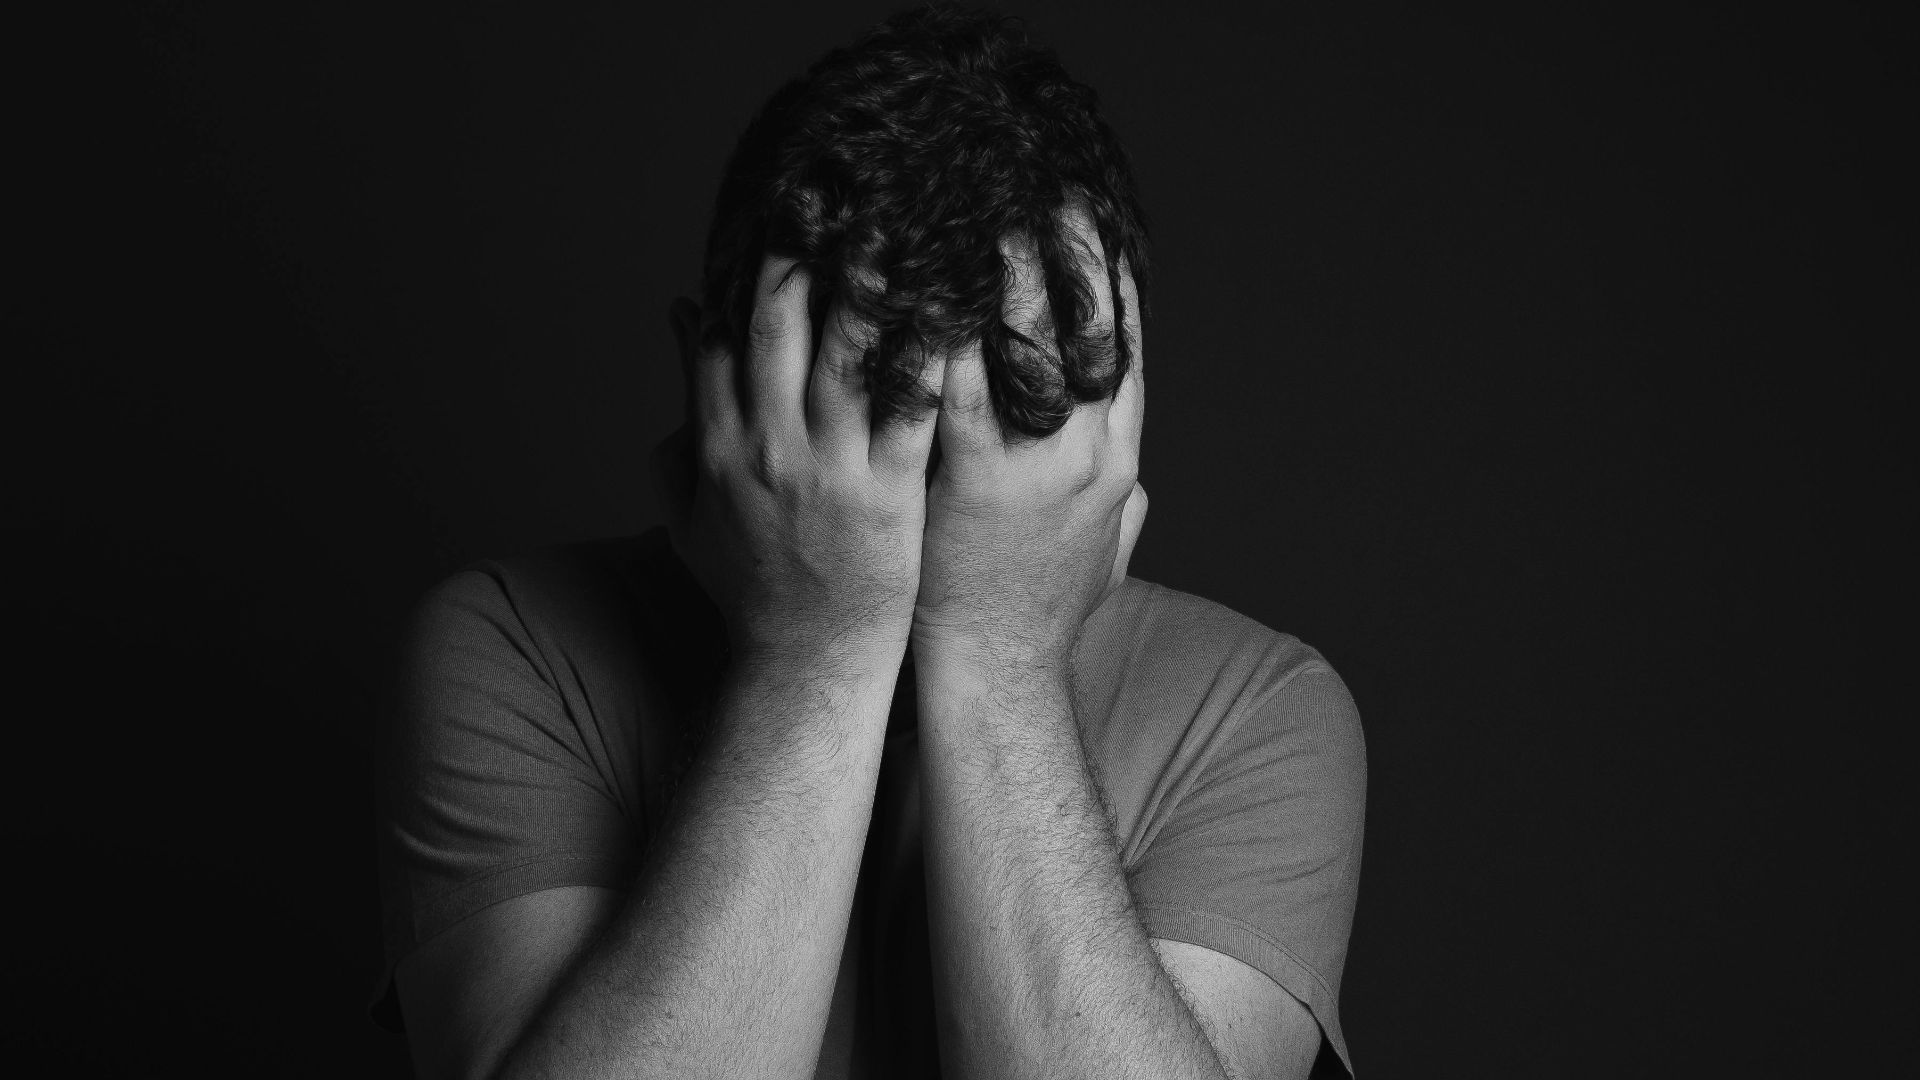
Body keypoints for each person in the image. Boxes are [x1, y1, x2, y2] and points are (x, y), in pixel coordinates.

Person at [372, 5, 1366, 1078]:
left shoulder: (1257, 711)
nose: (920, 490)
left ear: (1114, 422)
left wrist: (999, 656)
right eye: (870, 410)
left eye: (1004, 414)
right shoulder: (516, 650)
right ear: (713, 391)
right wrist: (816, 650)